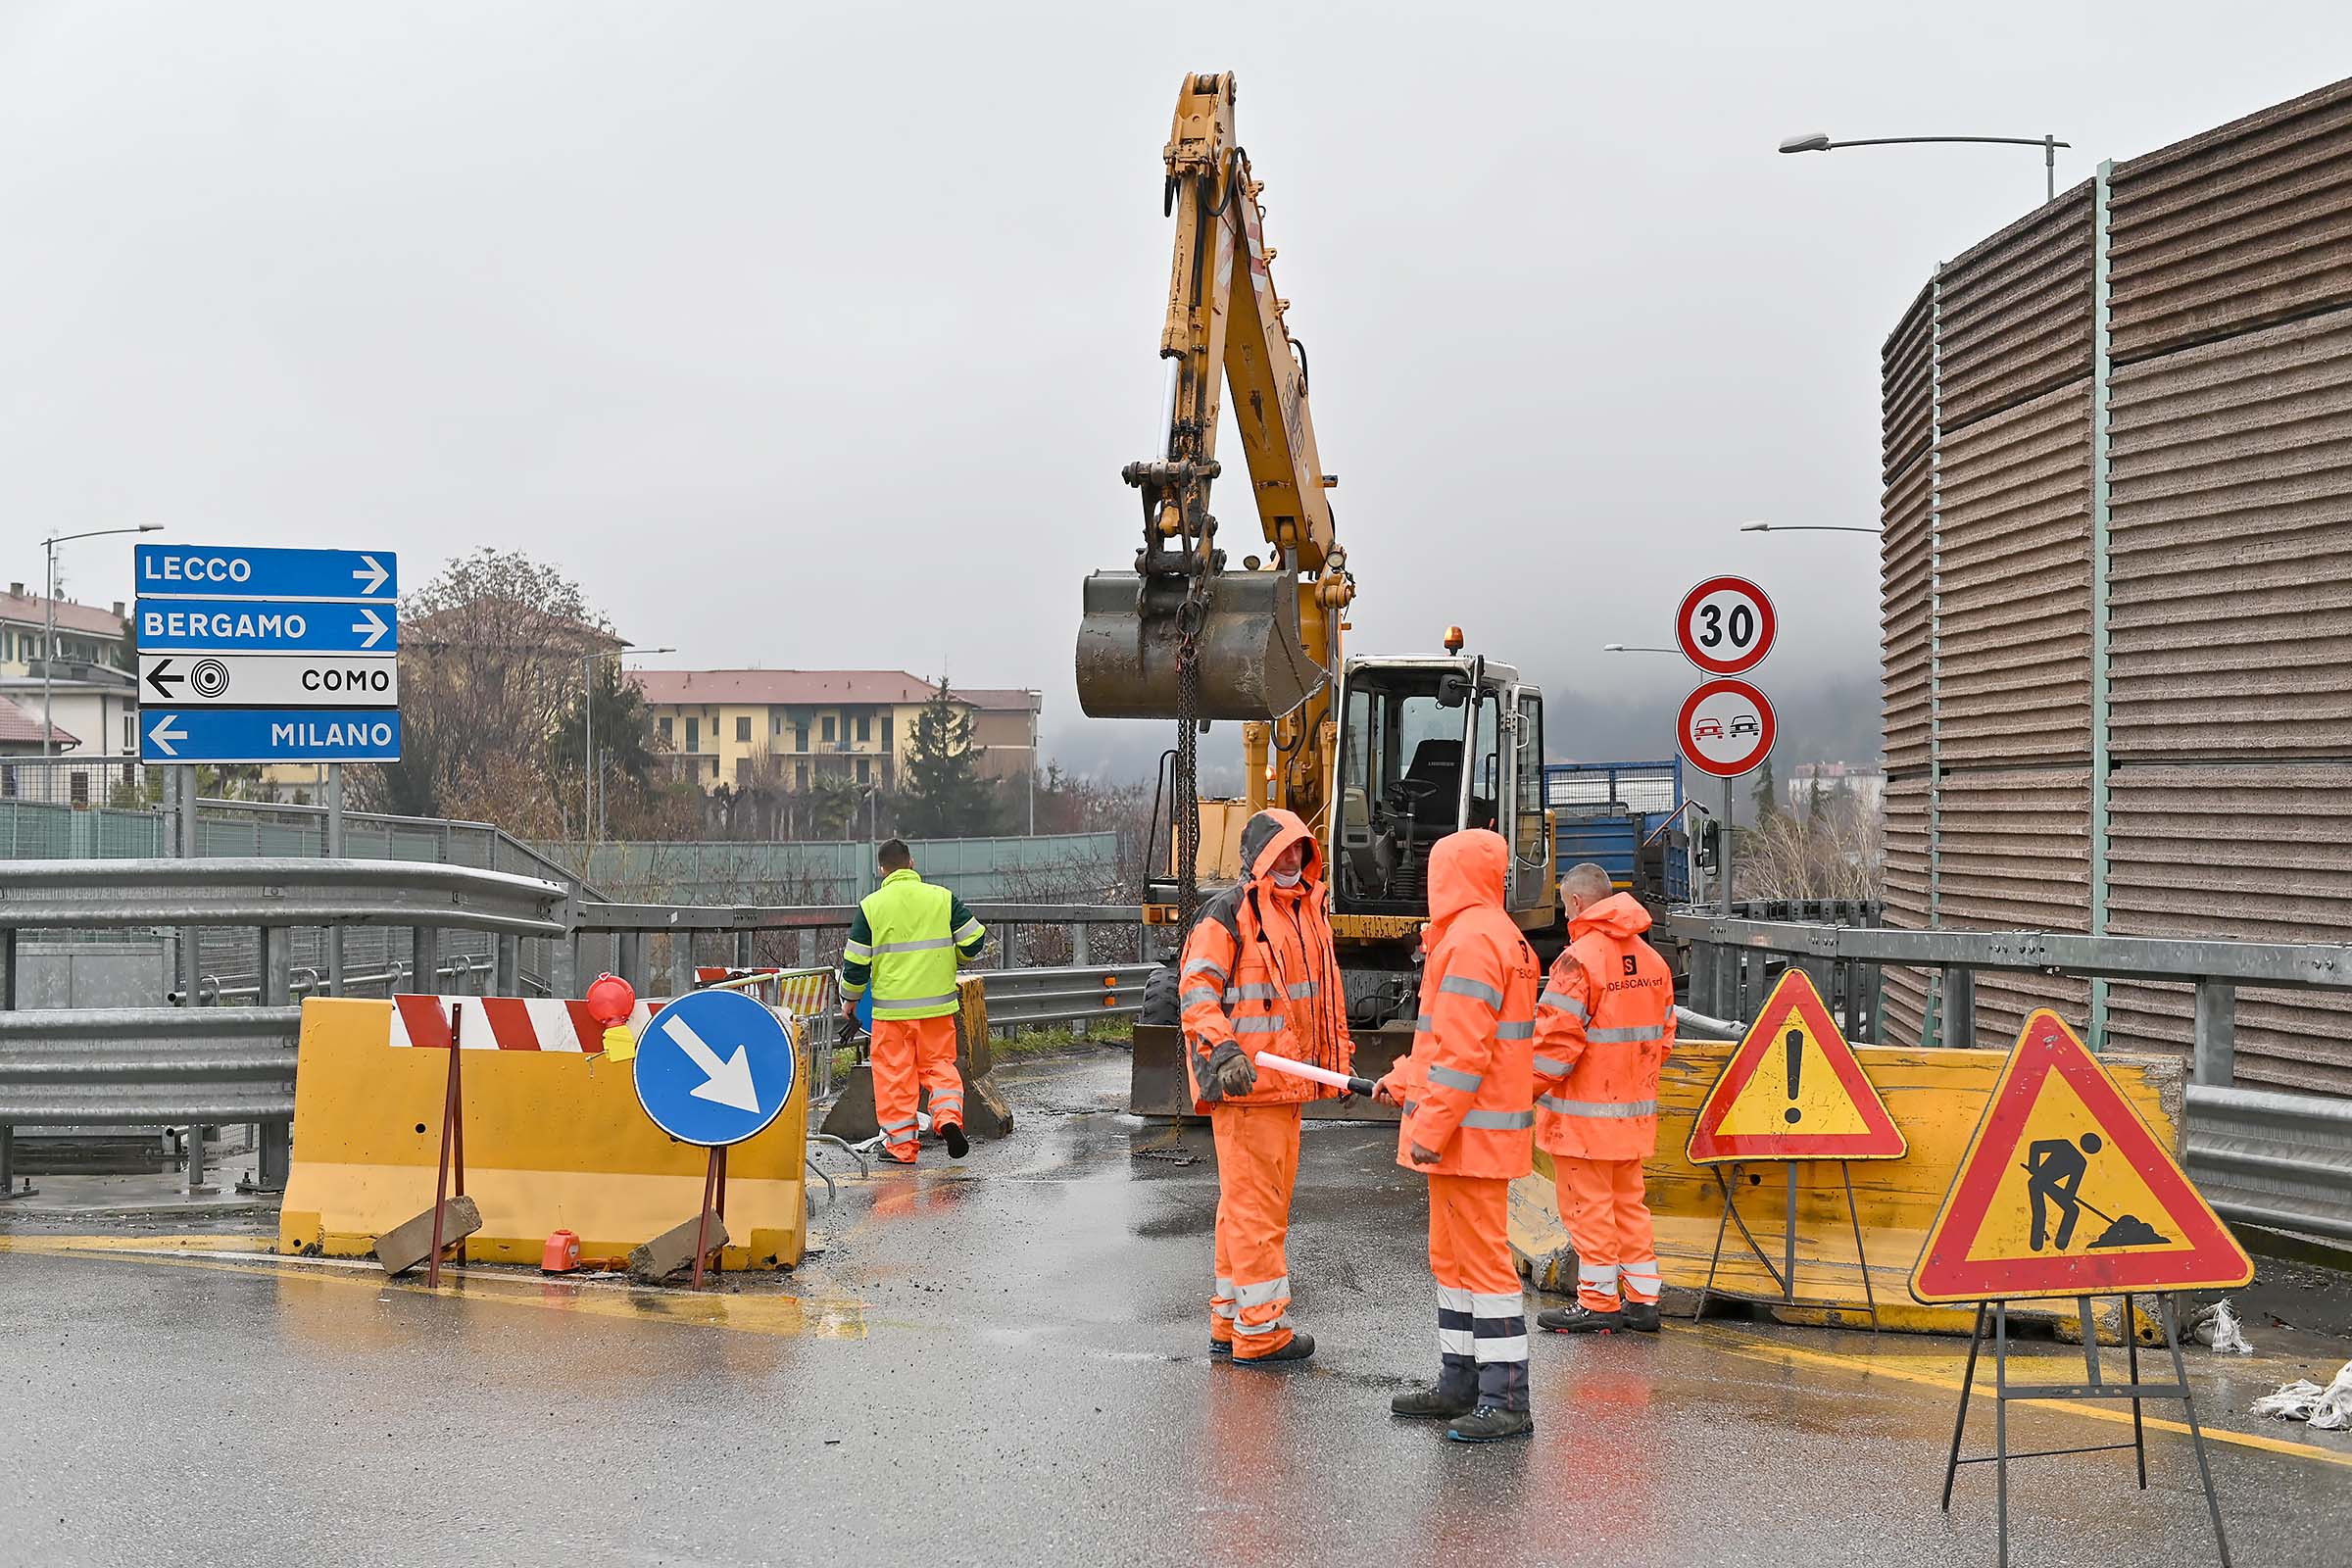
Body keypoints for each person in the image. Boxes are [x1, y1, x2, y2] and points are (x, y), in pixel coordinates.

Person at [1376, 829, 1542, 1442]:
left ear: (1450, 876)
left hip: (1467, 1136)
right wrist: (1403, 1081)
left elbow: (1465, 1053)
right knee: (1453, 1261)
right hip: (1471, 1133)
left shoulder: (1470, 943)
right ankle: (1461, 1381)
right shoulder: (1497, 937)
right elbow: (1449, 1046)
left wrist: (1431, 1125)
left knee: (1484, 1267)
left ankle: (1504, 1399)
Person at [1178, 807, 1353, 1366]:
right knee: (1258, 1211)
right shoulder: (1229, 915)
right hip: (1250, 1087)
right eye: (1281, 853)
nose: (1292, 861)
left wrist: (1338, 1063)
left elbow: (1322, 1001)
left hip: (1284, 1087)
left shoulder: (1307, 912)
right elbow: (1197, 991)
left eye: (1299, 851)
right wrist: (1223, 1049)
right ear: (1257, 859)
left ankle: (1232, 1322)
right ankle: (1262, 1331)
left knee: (1244, 1207)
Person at [1532, 862, 1677, 1334]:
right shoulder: (1653, 962)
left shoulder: (1579, 961)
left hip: (1582, 1118)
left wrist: (1520, 1090)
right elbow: (1664, 1035)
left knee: (1586, 1207)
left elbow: (1555, 1045)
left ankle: (1597, 1301)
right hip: (1632, 1115)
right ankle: (1643, 1299)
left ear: (1575, 903)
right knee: (1629, 1205)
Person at [839, 838, 987, 1164]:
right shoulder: (942, 898)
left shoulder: (871, 907)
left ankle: (901, 1147)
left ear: (882, 870)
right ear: (912, 863)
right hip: (937, 1009)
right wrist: (957, 956)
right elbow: (975, 941)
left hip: (892, 1014)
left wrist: (850, 1000)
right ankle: (948, 1118)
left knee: (895, 1077)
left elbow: (856, 964)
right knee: (940, 1068)